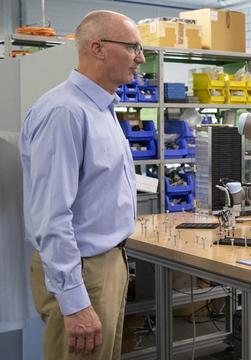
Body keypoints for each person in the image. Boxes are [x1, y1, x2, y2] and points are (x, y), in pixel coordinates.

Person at [20, 10, 144, 359]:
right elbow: (52, 215)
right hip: (82, 270)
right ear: (98, 48)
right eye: (133, 47)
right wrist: (75, 304)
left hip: (107, 263)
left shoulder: (102, 109)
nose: (140, 58)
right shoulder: (65, 113)